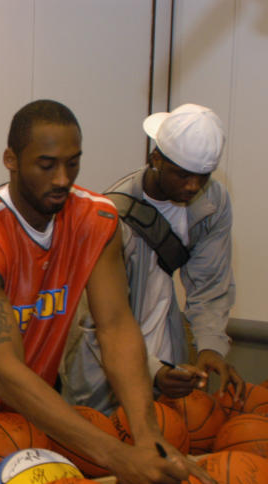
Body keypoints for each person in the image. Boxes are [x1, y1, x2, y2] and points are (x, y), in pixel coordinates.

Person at [0, 99, 213, 484]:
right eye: (47, 165)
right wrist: (116, 456)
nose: (63, 178)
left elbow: (115, 327)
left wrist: (146, 433)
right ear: (10, 160)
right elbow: (3, 370)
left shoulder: (95, 219)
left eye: (73, 163)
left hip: (26, 425)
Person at [61, 104, 242, 413]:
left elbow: (211, 283)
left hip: (167, 354)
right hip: (100, 364)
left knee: (169, 437)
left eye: (202, 177)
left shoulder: (213, 203)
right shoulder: (110, 216)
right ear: (155, 159)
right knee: (102, 443)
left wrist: (210, 346)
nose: (193, 187)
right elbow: (97, 321)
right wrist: (151, 370)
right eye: (182, 175)